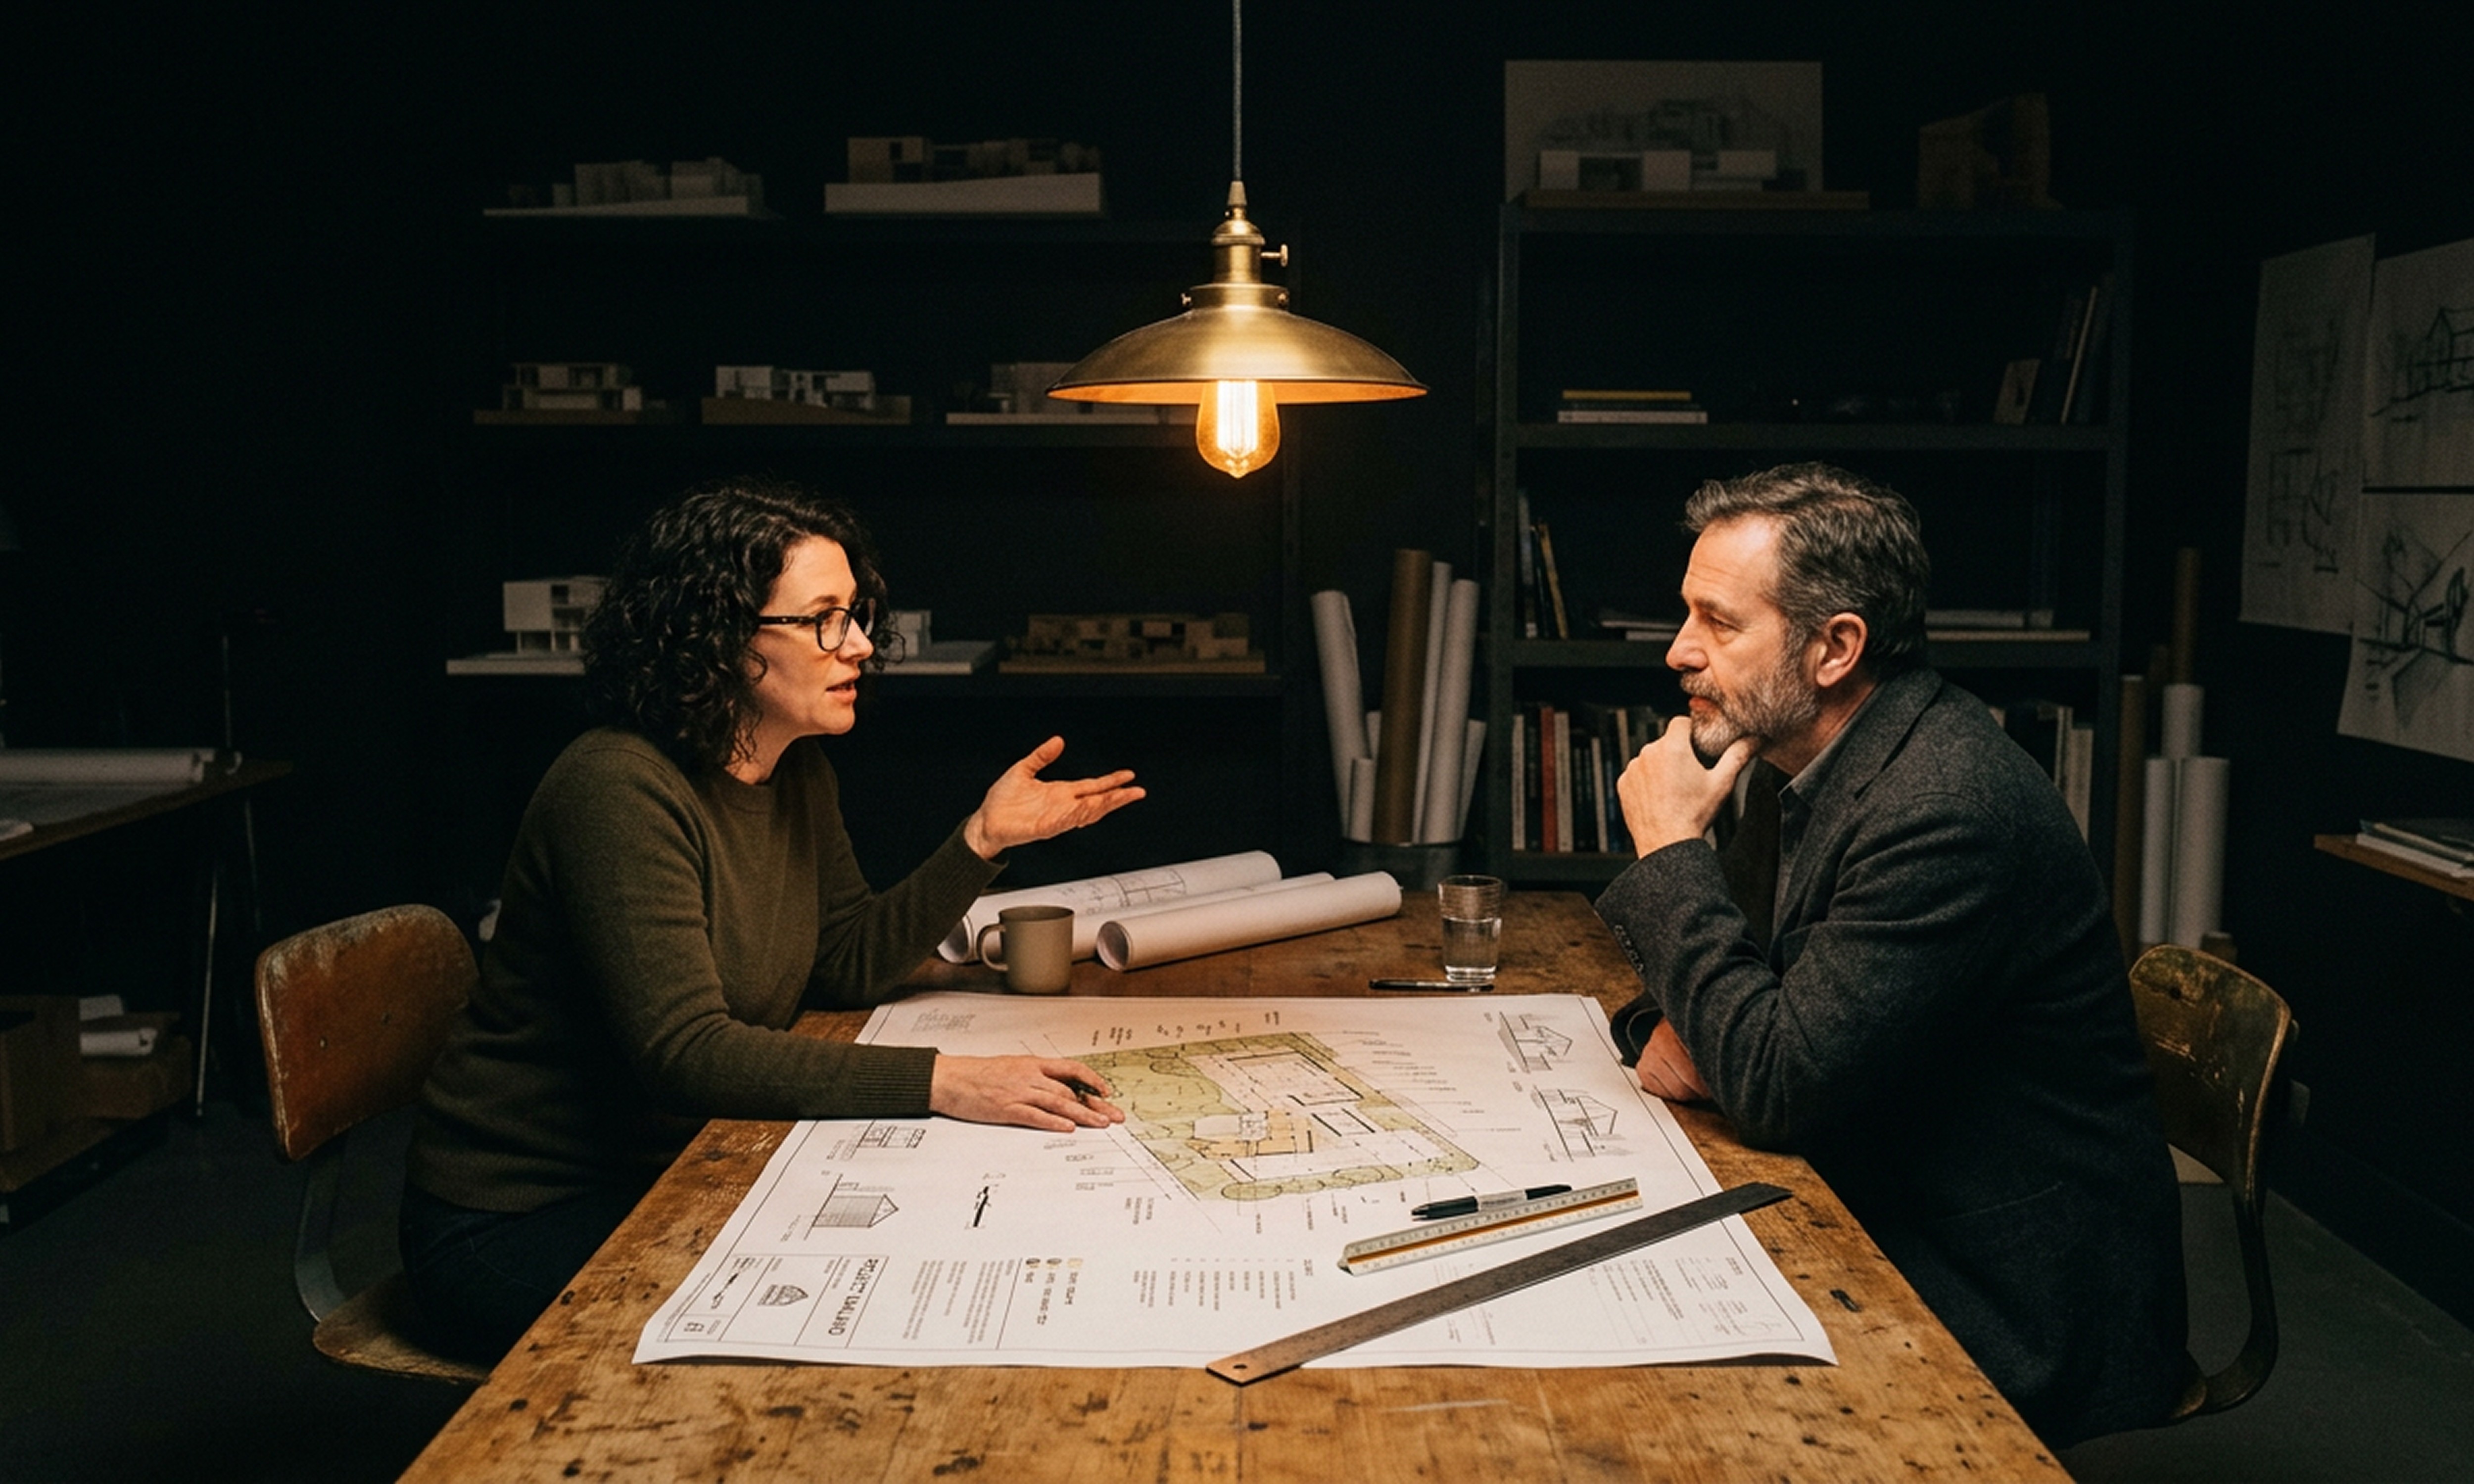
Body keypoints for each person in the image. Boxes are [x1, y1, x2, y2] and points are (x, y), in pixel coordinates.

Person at [401, 478, 1142, 1359]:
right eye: (825, 618)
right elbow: (686, 1053)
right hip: (518, 1216)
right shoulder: (617, 788)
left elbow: (844, 963)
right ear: (722, 641)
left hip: (672, 1172)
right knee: (830, 1327)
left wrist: (981, 841)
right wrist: (945, 1080)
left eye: (858, 613)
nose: (861, 644)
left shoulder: (792, 772)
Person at [1595, 462, 2186, 1445]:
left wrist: (1668, 852)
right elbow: (1736, 997)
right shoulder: (1806, 757)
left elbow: (1774, 1076)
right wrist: (1669, 1020)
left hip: (2006, 1290)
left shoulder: (1940, 810)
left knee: (1652, 1390)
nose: (1677, 652)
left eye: (1719, 622)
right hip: (1883, 1182)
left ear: (1834, 649)